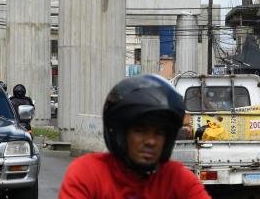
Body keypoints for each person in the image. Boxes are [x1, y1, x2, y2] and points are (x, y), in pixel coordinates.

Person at [58, 74, 211, 199]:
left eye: (159, 133)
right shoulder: (88, 173)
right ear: (120, 133)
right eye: (140, 130)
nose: (151, 141)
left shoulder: (178, 179)